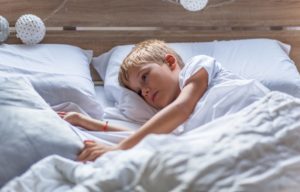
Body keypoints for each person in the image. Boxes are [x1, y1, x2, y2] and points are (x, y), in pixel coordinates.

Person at [60, 39, 269, 161]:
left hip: (262, 115)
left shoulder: (197, 67)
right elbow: (149, 135)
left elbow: (182, 108)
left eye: (144, 77)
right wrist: (89, 122)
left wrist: (117, 149)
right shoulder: (177, 121)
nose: (145, 91)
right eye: (140, 92)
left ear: (169, 62)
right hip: (233, 144)